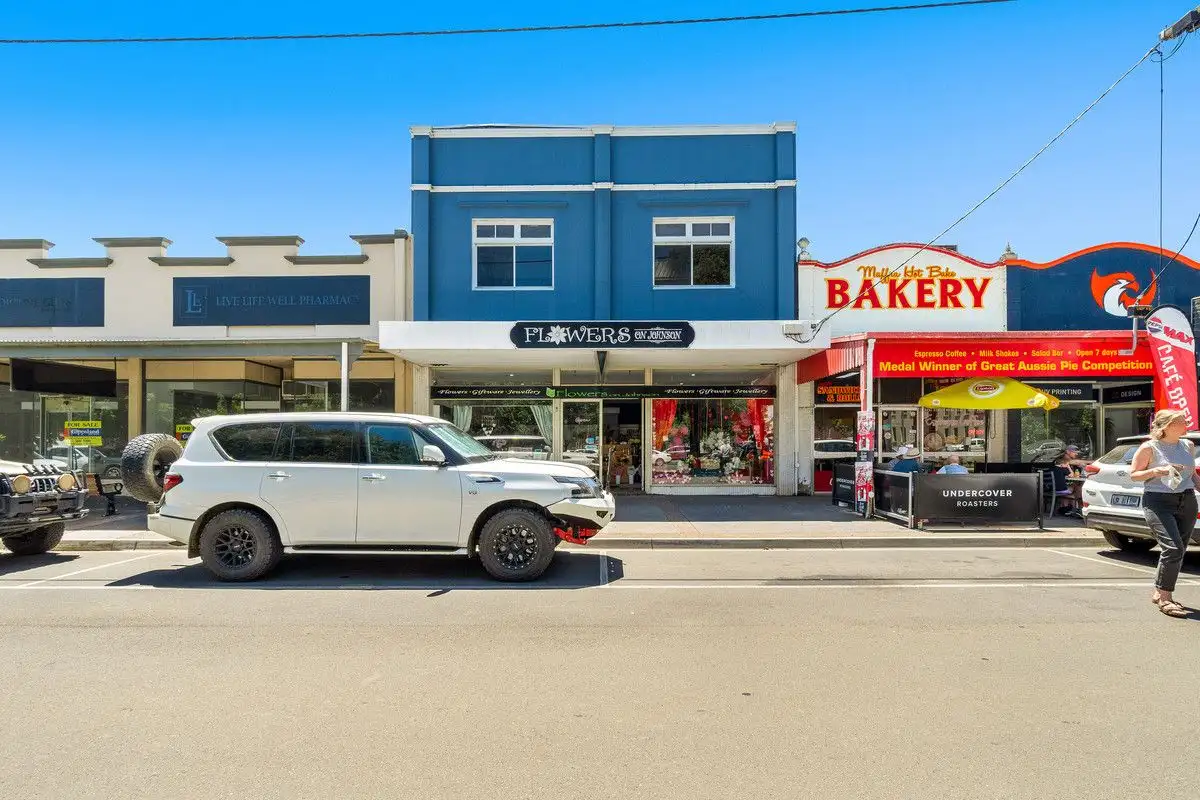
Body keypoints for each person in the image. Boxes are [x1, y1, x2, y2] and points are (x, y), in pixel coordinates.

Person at [1130, 409, 1200, 618]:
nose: (1186, 423)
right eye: (1180, 421)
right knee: (1173, 547)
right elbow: (1134, 475)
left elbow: (1192, 474)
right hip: (1158, 501)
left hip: (1186, 499)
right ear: (1167, 426)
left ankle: (1159, 590)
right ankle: (1165, 598)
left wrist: (1198, 485)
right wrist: (1156, 471)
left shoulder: (1187, 445)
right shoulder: (1149, 448)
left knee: (1179, 549)